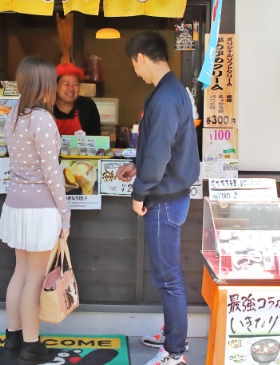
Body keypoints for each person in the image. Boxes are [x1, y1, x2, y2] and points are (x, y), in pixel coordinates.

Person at [116, 32, 199, 365]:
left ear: (141, 58)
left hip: (164, 199)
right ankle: (173, 335)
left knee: (168, 276)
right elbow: (165, 147)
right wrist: (137, 165)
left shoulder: (165, 98)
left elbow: (162, 152)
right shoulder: (173, 91)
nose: (135, 72)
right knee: (169, 275)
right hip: (172, 193)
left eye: (134, 65)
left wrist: (139, 192)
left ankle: (175, 351)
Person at [0, 56, 72, 364]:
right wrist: (65, 213)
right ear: (44, 84)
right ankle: (31, 345)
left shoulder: (15, 113)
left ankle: (12, 339)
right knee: (35, 278)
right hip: (40, 208)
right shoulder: (42, 119)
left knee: (20, 273)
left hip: (15, 204)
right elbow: (52, 173)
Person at [53, 63, 103, 137]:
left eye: (75, 84)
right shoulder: (47, 107)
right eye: (66, 84)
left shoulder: (88, 105)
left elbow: (95, 137)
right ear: (56, 86)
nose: (71, 89)